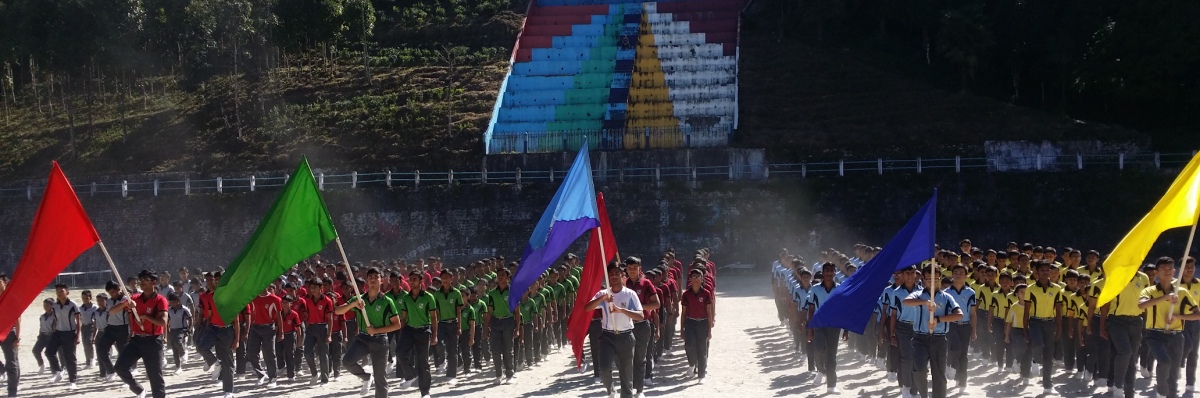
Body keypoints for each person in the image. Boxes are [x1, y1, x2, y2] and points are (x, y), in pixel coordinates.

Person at [1139, 257, 1200, 398]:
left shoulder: (1182, 292)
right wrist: (1165, 297)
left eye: (1169, 269)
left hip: (1176, 335)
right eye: (1163, 269)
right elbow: (1142, 305)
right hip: (1155, 334)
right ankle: (1161, 391)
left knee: (1173, 373)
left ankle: (1171, 394)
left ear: (1174, 271)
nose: (1167, 272)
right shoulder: (1150, 290)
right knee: (1164, 362)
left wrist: (1178, 317)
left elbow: (1198, 314)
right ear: (1156, 272)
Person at [336, 267, 401, 398]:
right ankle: (366, 377)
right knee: (347, 361)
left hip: (380, 340)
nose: (373, 280)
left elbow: (397, 324)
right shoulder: (360, 299)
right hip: (363, 339)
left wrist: (376, 330)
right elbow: (338, 311)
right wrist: (353, 304)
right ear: (366, 280)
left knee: (380, 377)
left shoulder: (387, 301)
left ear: (381, 280)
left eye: (376, 277)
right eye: (370, 277)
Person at [585, 262, 644, 398]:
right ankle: (610, 389)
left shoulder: (630, 294)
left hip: (626, 336)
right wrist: (603, 298)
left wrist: (621, 310)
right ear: (607, 277)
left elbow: (640, 315)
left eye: (617, 273)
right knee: (604, 368)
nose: (614, 276)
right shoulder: (603, 293)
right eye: (611, 274)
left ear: (622, 275)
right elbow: (587, 308)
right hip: (607, 336)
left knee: (626, 374)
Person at [903, 267, 964, 398]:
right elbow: (906, 301)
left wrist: (939, 319)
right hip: (920, 339)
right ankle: (923, 395)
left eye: (935, 278)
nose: (932, 281)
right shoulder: (918, 294)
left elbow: (959, 314)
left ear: (939, 279)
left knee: (939, 375)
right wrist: (925, 302)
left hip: (939, 339)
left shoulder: (947, 297)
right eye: (929, 278)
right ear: (923, 279)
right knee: (919, 369)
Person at [115, 270, 170, 398]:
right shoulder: (134, 298)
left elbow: (163, 322)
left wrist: (146, 317)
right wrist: (126, 304)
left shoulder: (160, 300)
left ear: (154, 282)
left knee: (155, 375)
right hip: (137, 340)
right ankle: (139, 390)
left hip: (153, 341)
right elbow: (112, 311)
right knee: (120, 367)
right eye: (141, 280)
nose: (141, 283)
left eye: (145, 280)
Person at [197, 271, 242, 398]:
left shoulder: (231, 297)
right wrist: (206, 331)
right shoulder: (211, 296)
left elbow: (236, 321)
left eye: (219, 279)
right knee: (201, 347)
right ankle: (216, 363)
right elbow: (210, 316)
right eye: (215, 279)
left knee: (228, 362)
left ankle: (229, 391)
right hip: (213, 329)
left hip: (227, 331)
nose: (216, 281)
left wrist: (237, 339)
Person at [396, 270, 438, 397]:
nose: (412, 281)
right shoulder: (406, 298)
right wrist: (400, 331)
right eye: (411, 279)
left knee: (423, 362)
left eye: (415, 279)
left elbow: (434, 317)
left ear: (421, 281)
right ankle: (411, 374)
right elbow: (403, 318)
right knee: (399, 352)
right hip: (409, 329)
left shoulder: (428, 297)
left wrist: (435, 335)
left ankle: (425, 392)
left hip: (423, 330)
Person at [1024, 260, 1063, 395]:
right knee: (1038, 345)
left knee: (1048, 355)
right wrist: (1025, 329)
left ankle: (1047, 385)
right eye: (1042, 270)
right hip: (1035, 322)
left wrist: (1059, 327)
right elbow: (1026, 311)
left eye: (1048, 270)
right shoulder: (1031, 289)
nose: (1045, 272)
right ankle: (1036, 360)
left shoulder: (1057, 289)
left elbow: (1058, 310)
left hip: (1049, 323)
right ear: (1036, 272)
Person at [623, 256, 660, 398]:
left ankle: (639, 389)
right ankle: (628, 387)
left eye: (635, 268)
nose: (632, 271)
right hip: (626, 326)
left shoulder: (646, 284)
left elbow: (656, 304)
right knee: (627, 358)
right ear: (626, 269)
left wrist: (639, 307)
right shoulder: (623, 284)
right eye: (629, 268)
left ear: (640, 268)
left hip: (643, 325)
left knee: (640, 358)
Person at [805, 262, 845, 394]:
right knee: (818, 350)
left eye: (831, 271)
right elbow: (811, 309)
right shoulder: (815, 289)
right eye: (826, 270)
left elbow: (843, 310)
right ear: (822, 273)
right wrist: (810, 329)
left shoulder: (839, 289)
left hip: (834, 326)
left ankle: (831, 385)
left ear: (835, 273)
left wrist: (846, 329)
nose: (829, 273)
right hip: (819, 324)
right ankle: (821, 370)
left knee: (831, 355)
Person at [943, 264, 976, 394]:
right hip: (951, 324)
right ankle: (952, 365)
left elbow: (973, 313)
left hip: (965, 325)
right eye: (955, 272)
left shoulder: (970, 292)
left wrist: (974, 330)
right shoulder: (946, 293)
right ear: (952, 275)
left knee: (963, 354)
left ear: (966, 275)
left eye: (961, 272)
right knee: (955, 348)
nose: (958, 274)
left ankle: (962, 381)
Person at [485, 268, 518, 385]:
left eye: (503, 275)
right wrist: (486, 327)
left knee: (508, 350)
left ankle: (510, 373)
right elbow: (489, 311)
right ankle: (499, 374)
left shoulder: (512, 291)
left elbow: (517, 311)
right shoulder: (492, 293)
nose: (500, 277)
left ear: (508, 278)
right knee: (495, 350)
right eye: (498, 275)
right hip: (495, 322)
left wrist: (517, 327)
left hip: (508, 321)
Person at [680, 269, 714, 384]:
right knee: (689, 345)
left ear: (702, 279)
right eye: (693, 276)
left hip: (702, 323)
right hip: (690, 322)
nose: (695, 279)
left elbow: (709, 313)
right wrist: (682, 329)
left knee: (702, 348)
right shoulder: (686, 294)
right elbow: (683, 313)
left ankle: (701, 375)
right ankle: (691, 364)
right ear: (690, 279)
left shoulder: (706, 293)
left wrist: (709, 330)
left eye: (698, 276)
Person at [430, 270, 464, 385]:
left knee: (452, 350)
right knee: (438, 343)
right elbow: (435, 311)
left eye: (447, 277)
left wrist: (459, 326)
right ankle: (442, 360)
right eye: (442, 277)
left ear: (451, 278)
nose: (444, 279)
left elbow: (458, 310)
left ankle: (451, 375)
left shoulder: (456, 293)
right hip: (441, 323)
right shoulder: (437, 294)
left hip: (453, 323)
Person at [247, 286, 283, 388]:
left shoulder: (275, 299)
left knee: (269, 354)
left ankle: (272, 378)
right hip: (255, 328)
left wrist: (281, 331)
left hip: (268, 328)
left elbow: (279, 316)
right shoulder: (253, 297)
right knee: (251, 353)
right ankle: (261, 374)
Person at [47, 283, 81, 389]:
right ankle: (58, 371)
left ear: (67, 292)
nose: (59, 293)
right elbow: (55, 319)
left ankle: (73, 381)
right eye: (57, 291)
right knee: (49, 351)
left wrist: (78, 336)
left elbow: (78, 321)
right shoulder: (55, 305)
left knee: (70, 357)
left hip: (69, 333)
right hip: (57, 332)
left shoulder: (73, 305)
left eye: (61, 291)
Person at [303, 279, 335, 385]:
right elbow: (306, 315)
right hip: (311, 328)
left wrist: (329, 334)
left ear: (321, 288)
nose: (312, 290)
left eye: (314, 287)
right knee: (307, 352)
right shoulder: (308, 300)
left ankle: (324, 379)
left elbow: (330, 318)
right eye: (311, 287)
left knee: (323, 354)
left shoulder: (327, 301)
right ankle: (314, 373)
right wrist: (308, 327)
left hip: (322, 327)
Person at [0, 274, 18, 398]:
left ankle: (12, 392)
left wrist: (18, 335)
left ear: (5, 282)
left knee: (12, 362)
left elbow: (18, 319)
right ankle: (1, 369)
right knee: (10, 364)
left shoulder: (11, 298)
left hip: (9, 332)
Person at [166, 293, 192, 376]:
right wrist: (167, 331)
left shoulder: (184, 309)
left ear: (178, 301)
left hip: (182, 329)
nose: (172, 304)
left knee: (178, 342)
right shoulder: (169, 310)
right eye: (171, 302)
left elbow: (190, 318)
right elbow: (168, 320)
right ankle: (178, 367)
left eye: (174, 302)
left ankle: (184, 352)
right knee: (174, 349)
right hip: (173, 329)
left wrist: (189, 329)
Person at [277, 295, 302, 381]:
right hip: (280, 334)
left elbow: (298, 328)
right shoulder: (278, 313)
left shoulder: (294, 314)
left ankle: (291, 374)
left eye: (286, 303)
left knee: (289, 355)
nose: (284, 305)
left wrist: (299, 341)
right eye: (283, 303)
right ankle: (281, 367)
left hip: (290, 335)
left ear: (291, 304)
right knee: (278, 352)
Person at [79, 290, 99, 370]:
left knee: (89, 342)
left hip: (91, 326)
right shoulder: (80, 308)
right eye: (83, 298)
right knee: (85, 344)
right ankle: (87, 361)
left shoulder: (94, 307)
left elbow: (96, 318)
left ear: (90, 298)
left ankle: (92, 359)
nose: (85, 300)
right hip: (83, 326)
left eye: (87, 298)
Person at [33, 299, 54, 374]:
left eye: (47, 305)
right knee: (35, 350)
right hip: (43, 336)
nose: (45, 307)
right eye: (44, 305)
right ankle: (42, 364)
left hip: (52, 336)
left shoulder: (55, 316)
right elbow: (41, 326)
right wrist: (39, 335)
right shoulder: (42, 317)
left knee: (50, 353)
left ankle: (54, 368)